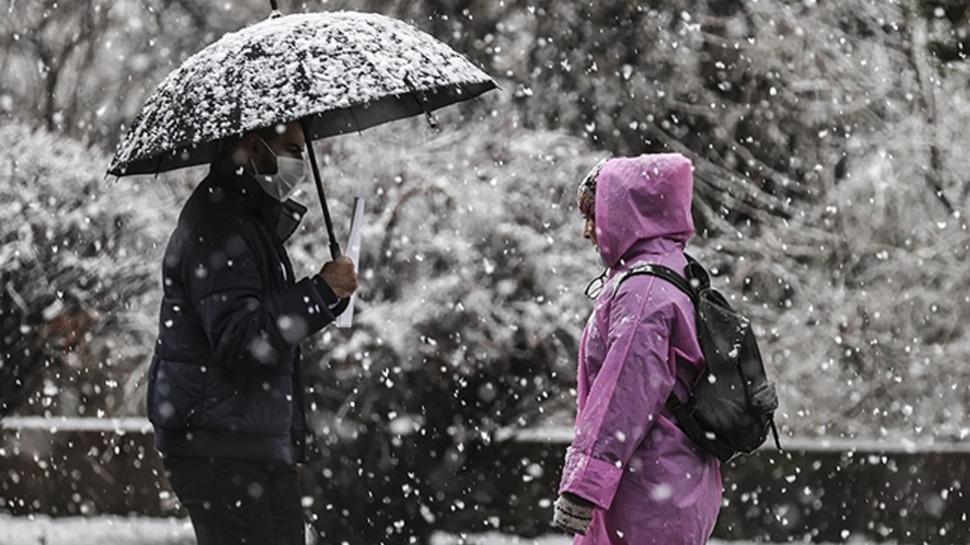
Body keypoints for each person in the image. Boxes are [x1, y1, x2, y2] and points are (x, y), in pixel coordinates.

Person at [146, 120, 358, 545]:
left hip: (246, 440)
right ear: (252, 144)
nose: (298, 162)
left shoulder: (246, 218)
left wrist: (328, 296)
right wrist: (318, 294)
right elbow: (240, 340)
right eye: (291, 149)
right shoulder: (221, 222)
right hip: (220, 446)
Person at [552, 154, 722, 545]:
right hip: (672, 483)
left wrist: (584, 484)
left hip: (649, 493)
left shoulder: (643, 293)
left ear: (626, 213)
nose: (587, 232)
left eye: (594, 216)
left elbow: (623, 395)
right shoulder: (673, 271)